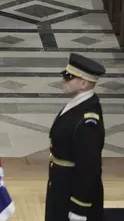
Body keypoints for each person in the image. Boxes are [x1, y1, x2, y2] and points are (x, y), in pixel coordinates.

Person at [45, 54, 106, 221]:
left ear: (84, 84)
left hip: (72, 192)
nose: (64, 80)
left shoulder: (88, 121)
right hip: (62, 186)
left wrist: (80, 207)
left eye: (69, 77)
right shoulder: (78, 103)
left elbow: (89, 167)